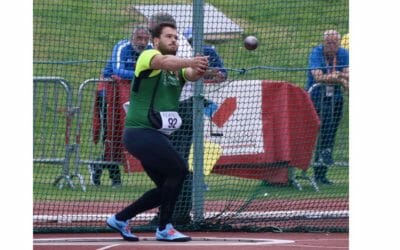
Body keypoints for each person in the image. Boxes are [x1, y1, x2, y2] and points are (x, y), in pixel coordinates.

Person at [106, 22, 209, 242]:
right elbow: (163, 61)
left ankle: (120, 218)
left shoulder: (176, 70)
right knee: (180, 169)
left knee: (168, 185)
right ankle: (164, 228)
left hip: (154, 136)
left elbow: (190, 74)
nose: (174, 40)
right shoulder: (148, 56)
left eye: (176, 37)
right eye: (168, 36)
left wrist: (200, 68)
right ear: (156, 40)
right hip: (141, 132)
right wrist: (191, 60)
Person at [89, 26, 151, 187]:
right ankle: (115, 178)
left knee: (129, 135)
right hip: (110, 94)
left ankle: (97, 165)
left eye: (145, 39)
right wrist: (141, 74)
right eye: (139, 38)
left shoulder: (150, 50)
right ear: (132, 38)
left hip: (132, 96)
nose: (142, 42)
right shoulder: (122, 47)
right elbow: (118, 70)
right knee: (111, 135)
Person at [305, 30, 349, 185]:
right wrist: (340, 78)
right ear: (324, 42)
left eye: (334, 43)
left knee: (332, 129)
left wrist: (339, 76)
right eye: (329, 43)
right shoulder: (316, 53)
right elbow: (318, 76)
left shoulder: (343, 53)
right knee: (325, 127)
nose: (332, 46)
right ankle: (320, 159)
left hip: (335, 98)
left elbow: (349, 73)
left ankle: (321, 174)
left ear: (338, 43)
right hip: (317, 96)